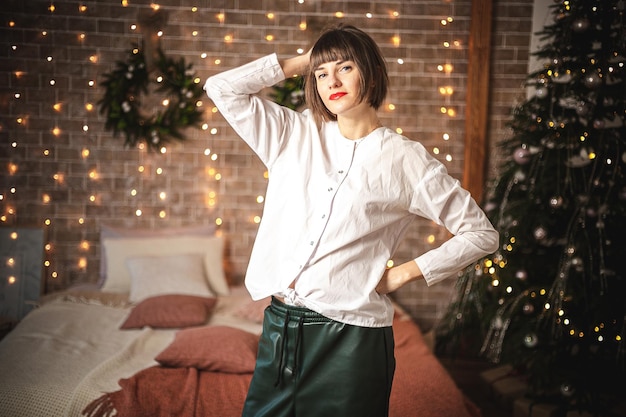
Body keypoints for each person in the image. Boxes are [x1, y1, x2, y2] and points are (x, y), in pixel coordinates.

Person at [204, 23, 498, 417]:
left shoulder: (406, 159)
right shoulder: (293, 133)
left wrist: (404, 273)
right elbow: (221, 88)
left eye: (344, 68)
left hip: (351, 339)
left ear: (369, 71)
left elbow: (481, 233)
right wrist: (310, 58)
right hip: (281, 327)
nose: (331, 81)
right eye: (322, 74)